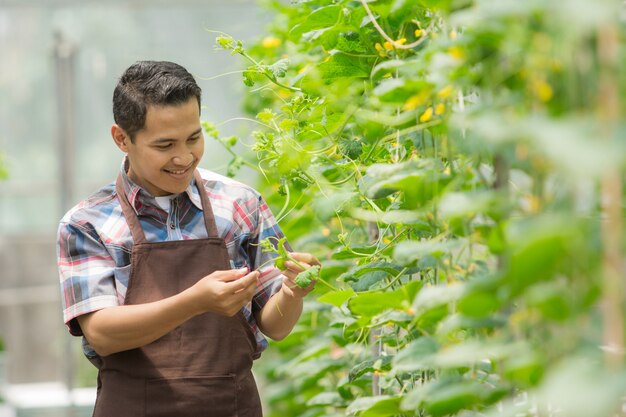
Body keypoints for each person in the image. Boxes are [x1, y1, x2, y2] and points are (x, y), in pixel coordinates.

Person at [56, 60, 319, 417]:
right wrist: (195, 301)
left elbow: (276, 325)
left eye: (194, 138)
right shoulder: (88, 223)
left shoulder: (239, 204)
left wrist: (291, 292)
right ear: (122, 138)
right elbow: (103, 332)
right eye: (164, 145)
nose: (184, 157)